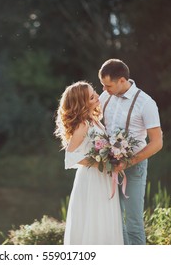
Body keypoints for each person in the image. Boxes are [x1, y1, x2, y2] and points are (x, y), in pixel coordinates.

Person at [98, 59, 163, 245]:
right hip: (108, 166)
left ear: (122, 80)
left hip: (134, 167)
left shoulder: (146, 103)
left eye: (107, 85)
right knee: (114, 222)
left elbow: (157, 142)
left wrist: (128, 162)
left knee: (133, 223)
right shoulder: (105, 97)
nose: (104, 90)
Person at [54, 81, 124, 245]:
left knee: (105, 220)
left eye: (95, 93)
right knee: (94, 220)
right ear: (83, 103)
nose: (97, 97)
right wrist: (99, 163)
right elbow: (70, 156)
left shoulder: (95, 121)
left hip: (103, 179)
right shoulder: (83, 125)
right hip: (92, 180)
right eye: (92, 97)